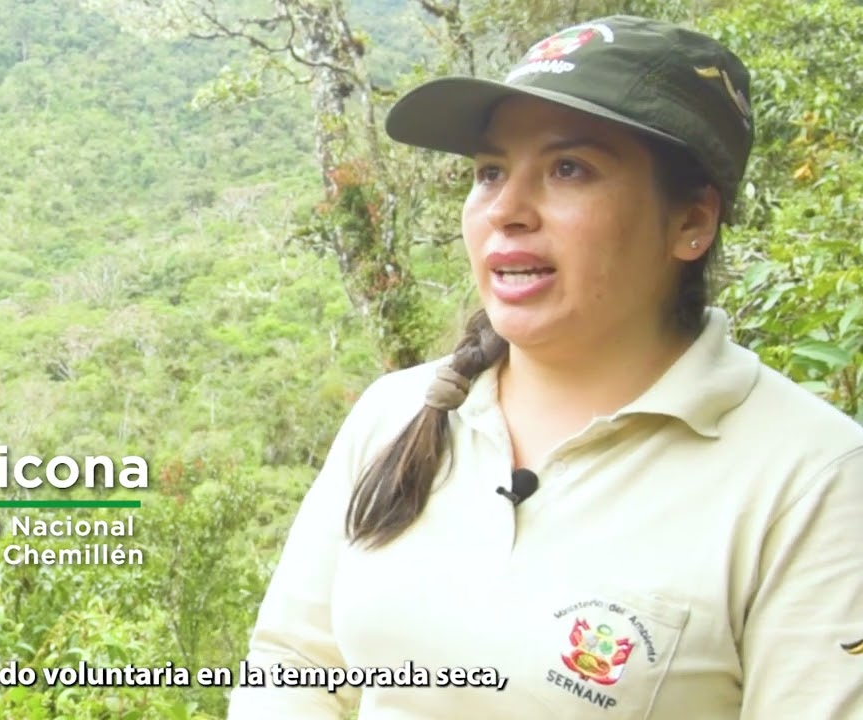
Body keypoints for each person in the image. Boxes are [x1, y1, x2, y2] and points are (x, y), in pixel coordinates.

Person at [226, 14, 863, 720]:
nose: (506, 209)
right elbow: (294, 659)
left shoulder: (813, 479)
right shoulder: (398, 411)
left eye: (569, 169)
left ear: (692, 222)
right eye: (490, 171)